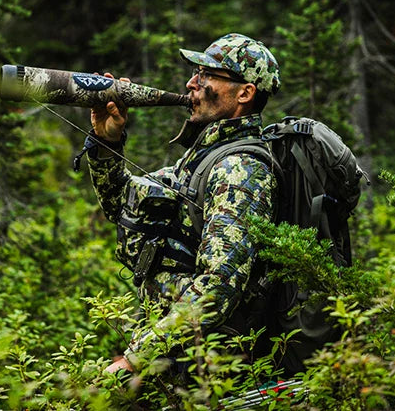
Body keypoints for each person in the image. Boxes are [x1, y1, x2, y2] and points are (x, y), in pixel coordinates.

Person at [82, 33, 282, 375]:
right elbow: (122, 206)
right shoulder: (204, 158)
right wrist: (107, 140)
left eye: (206, 75)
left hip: (208, 371)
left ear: (245, 93)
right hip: (174, 356)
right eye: (196, 73)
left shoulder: (239, 169)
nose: (192, 83)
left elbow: (218, 286)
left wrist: (136, 359)